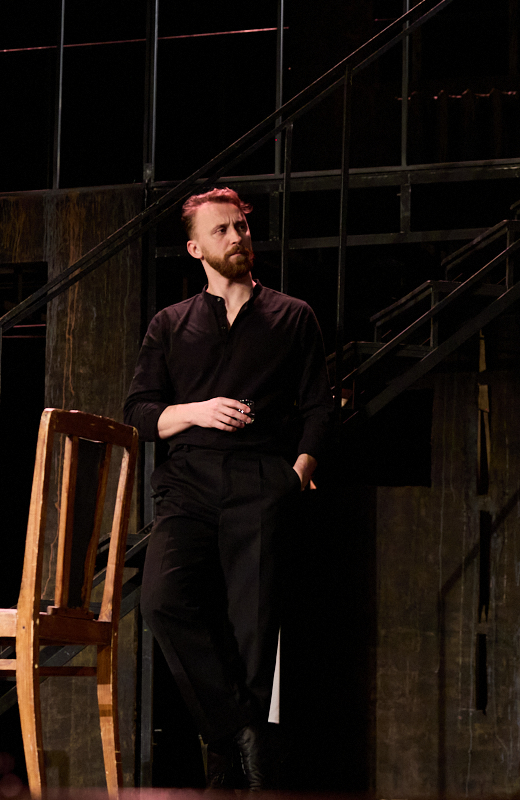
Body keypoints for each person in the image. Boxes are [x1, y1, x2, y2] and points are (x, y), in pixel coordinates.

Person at [124, 187, 333, 790]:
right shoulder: (170, 323)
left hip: (261, 479)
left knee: (253, 632)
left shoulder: (292, 316)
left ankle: (232, 773)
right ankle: (237, 735)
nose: (238, 237)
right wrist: (197, 410)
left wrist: (296, 474)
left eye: (240, 226)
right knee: (163, 600)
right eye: (221, 230)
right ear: (195, 249)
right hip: (188, 481)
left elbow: (319, 407)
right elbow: (139, 413)